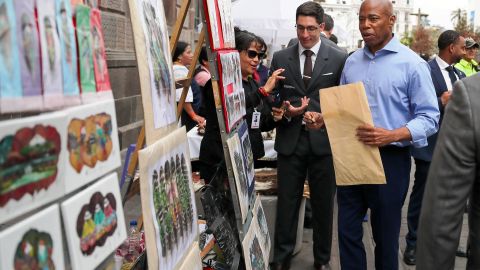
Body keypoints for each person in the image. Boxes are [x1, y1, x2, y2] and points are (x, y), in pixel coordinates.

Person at [336, 0, 439, 269]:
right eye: (361, 19)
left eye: (373, 19)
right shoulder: (351, 62)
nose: (365, 25)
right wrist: (323, 119)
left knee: (385, 238)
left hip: (390, 161)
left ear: (391, 20)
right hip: (352, 156)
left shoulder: (412, 64)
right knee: (347, 232)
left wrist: (392, 135)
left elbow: (430, 118)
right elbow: (343, 108)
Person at [268, 2, 348, 269]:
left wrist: (324, 118)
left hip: (324, 143)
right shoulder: (281, 57)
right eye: (300, 28)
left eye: (311, 29)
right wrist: (286, 111)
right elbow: (274, 100)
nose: (305, 35)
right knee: (287, 204)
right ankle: (281, 258)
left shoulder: (339, 57)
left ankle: (322, 260)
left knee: (324, 206)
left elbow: (342, 103)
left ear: (322, 27)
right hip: (290, 142)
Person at [404, 29, 466, 265]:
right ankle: (413, 244)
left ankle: (448, 243)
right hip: (431, 147)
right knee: (422, 196)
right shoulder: (425, 71)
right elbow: (414, 107)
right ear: (451, 47)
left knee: (453, 198)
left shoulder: (460, 74)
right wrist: (440, 102)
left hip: (458, 148)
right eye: (462, 46)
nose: (465, 51)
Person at [198, 30, 285, 182]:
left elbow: (259, 123)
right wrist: (263, 91)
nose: (256, 60)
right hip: (221, 159)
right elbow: (231, 109)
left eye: (260, 56)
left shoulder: (252, 83)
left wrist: (277, 117)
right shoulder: (218, 84)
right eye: (252, 54)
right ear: (234, 54)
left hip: (245, 157)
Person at [416, 75, 480, 270]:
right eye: (465, 46)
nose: (469, 50)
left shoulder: (471, 91)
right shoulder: (470, 92)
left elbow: (442, 212)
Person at [172, 41, 205, 131]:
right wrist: (193, 116)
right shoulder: (178, 70)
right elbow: (183, 95)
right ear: (179, 56)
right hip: (186, 116)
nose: (192, 55)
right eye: (188, 52)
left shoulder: (181, 68)